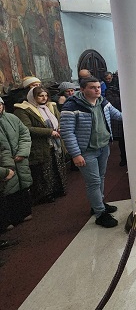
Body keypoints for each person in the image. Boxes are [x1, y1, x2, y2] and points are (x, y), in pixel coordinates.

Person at [60, 77, 122, 228]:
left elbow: (118, 115)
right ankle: (100, 214)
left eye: (98, 87)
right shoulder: (72, 106)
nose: (97, 90)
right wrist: (76, 154)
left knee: (101, 177)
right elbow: (67, 132)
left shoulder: (103, 102)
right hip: (86, 151)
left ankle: (98, 204)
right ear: (82, 89)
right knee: (93, 182)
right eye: (92, 87)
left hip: (103, 146)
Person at [14, 87, 66, 204]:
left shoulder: (50, 106)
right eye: (40, 96)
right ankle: (45, 195)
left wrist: (59, 127)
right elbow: (27, 128)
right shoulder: (23, 110)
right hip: (39, 145)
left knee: (56, 166)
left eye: (46, 95)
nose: (44, 98)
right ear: (33, 97)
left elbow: (59, 118)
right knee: (43, 172)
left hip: (55, 143)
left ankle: (58, 189)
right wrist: (49, 132)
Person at [0, 96, 33, 229]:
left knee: (23, 184)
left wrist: (22, 152)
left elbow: (24, 134)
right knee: (8, 189)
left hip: (20, 159)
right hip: (4, 163)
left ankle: (24, 213)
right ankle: (10, 219)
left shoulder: (12, 118)